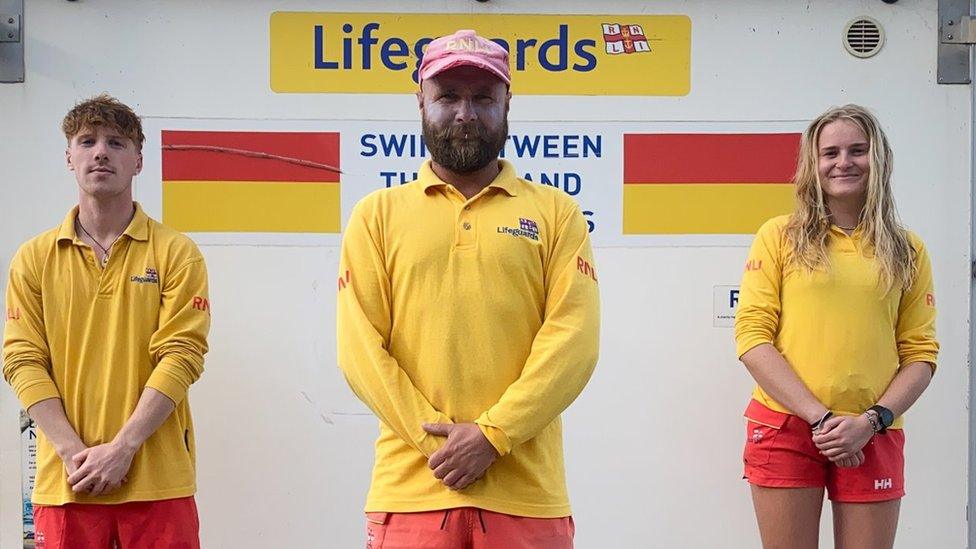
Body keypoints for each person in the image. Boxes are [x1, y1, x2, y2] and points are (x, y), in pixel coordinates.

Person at [337, 29, 600, 549]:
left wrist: (493, 437)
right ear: (420, 102)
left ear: (507, 104)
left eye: (483, 98)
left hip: (526, 497)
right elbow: (360, 350)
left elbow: (574, 341)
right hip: (412, 492)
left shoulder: (555, 213)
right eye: (448, 96)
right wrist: (439, 444)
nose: (465, 113)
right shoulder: (377, 216)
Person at [3, 94, 211, 548]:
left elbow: (182, 355)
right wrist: (71, 451)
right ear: (69, 157)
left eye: (116, 142)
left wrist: (123, 449)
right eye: (87, 140)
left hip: (158, 481)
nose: (100, 151)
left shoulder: (176, 252)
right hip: (66, 483)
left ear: (138, 161)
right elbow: (22, 360)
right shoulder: (33, 259)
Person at [735, 104, 938, 549]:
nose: (843, 162)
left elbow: (921, 355)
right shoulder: (779, 235)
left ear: (878, 158)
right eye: (830, 153)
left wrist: (871, 420)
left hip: (873, 431)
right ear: (814, 164)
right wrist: (822, 419)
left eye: (857, 150)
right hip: (785, 425)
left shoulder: (908, 249)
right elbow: (752, 337)